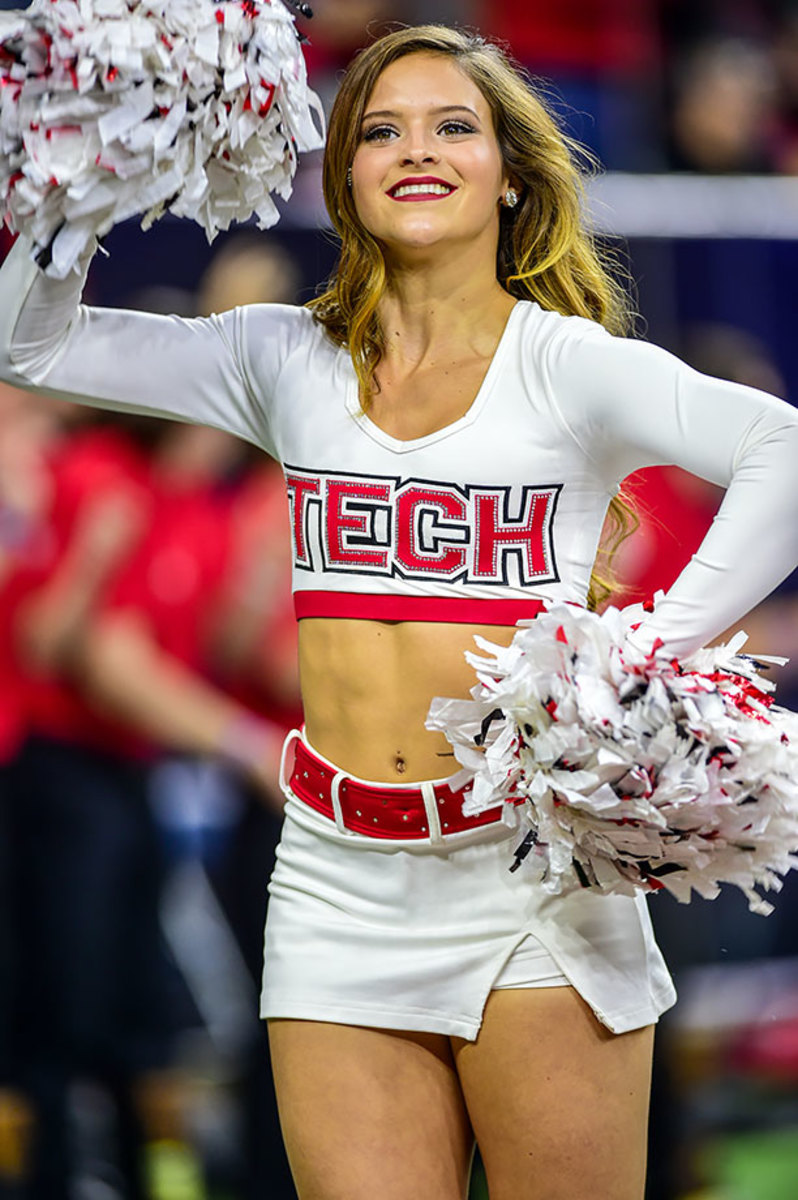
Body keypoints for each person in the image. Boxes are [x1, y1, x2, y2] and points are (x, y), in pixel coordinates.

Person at [2, 23, 798, 1200]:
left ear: (511, 172)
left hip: (526, 876)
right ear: (345, 176)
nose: (414, 151)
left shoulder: (565, 366)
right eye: (380, 129)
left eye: (452, 127)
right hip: (334, 876)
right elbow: (29, 340)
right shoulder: (285, 358)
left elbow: (777, 444)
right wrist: (81, 180)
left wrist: (646, 654)